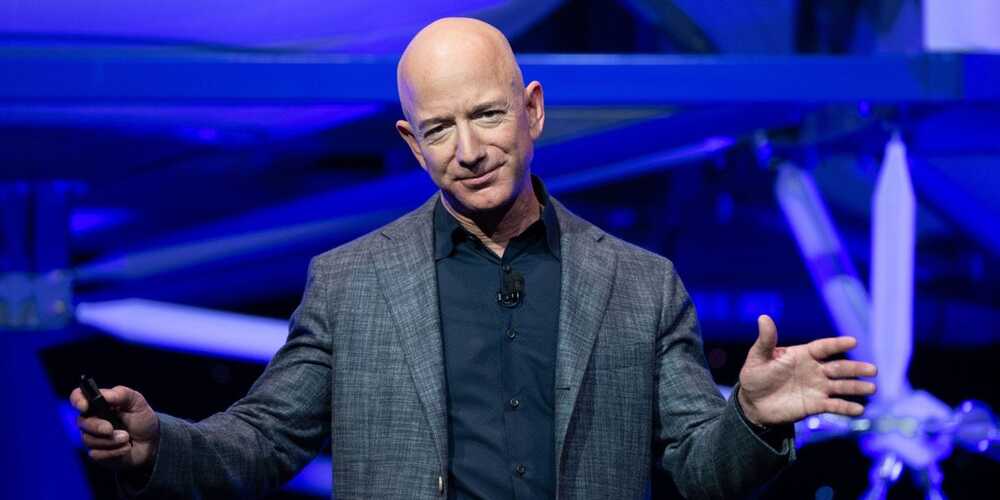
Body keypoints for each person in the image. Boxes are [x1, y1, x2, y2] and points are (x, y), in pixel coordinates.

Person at [70, 17, 877, 499]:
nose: (468, 150)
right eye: (439, 129)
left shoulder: (639, 285)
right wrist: (157, 445)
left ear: (532, 112)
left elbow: (702, 470)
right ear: (411, 144)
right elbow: (261, 442)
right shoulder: (351, 284)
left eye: (487, 115)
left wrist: (751, 418)